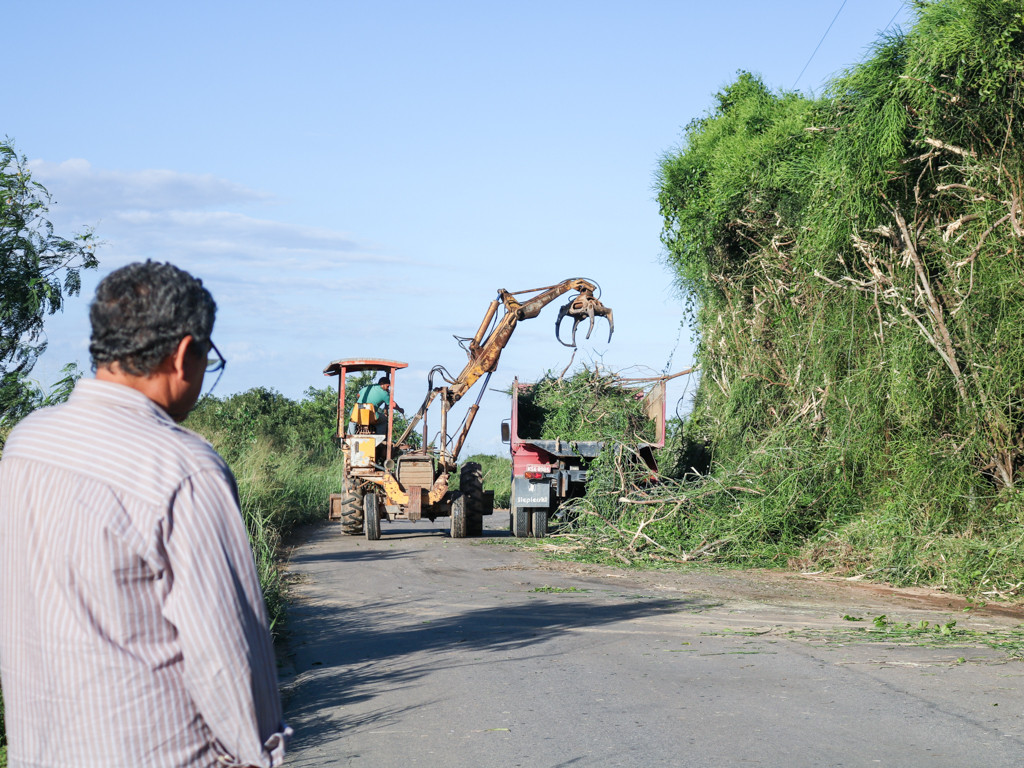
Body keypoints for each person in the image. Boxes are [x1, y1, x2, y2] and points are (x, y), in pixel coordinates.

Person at [0, 261, 291, 767]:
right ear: (183, 354)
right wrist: (261, 752)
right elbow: (227, 661)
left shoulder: (28, 442)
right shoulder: (184, 470)